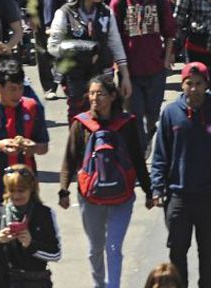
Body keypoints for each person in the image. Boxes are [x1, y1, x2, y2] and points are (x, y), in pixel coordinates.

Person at [57, 74, 151, 288]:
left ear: (112, 96)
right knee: (95, 248)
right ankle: (98, 284)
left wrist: (148, 191)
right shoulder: (81, 124)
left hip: (122, 197)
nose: (94, 98)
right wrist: (64, 190)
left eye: (100, 93)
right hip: (90, 198)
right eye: (91, 93)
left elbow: (138, 158)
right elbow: (69, 159)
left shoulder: (126, 123)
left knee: (114, 247)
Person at [151, 62, 211, 288]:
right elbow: (160, 154)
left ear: (207, 84)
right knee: (177, 256)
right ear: (183, 85)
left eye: (199, 84)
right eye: (190, 83)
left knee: (208, 259)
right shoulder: (170, 114)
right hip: (178, 198)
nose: (194, 89)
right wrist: (158, 188)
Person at [109, 0, 176, 151]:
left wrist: (166, 58)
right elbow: (114, 38)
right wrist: (121, 70)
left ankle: (149, 134)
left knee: (152, 113)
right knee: (134, 115)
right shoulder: (119, 2)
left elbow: (170, 31)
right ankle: (138, 157)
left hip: (155, 68)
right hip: (130, 71)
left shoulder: (159, 0)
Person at [0, 59, 50, 208]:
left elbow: (43, 147)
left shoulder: (32, 107)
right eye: (12, 89)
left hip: (26, 192)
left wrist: (33, 147)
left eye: (20, 88)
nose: (18, 94)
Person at [0, 166, 60, 287]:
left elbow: (55, 254)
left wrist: (30, 245)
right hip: (4, 281)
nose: (17, 195)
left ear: (31, 189)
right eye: (12, 190)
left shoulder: (44, 214)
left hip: (34, 281)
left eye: (21, 190)